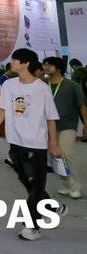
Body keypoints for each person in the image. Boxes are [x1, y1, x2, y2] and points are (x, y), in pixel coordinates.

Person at [0, 48, 65, 240]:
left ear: (26, 63)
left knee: (35, 186)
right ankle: (53, 208)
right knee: (28, 183)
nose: (11, 63)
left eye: (15, 60)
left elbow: (51, 118)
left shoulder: (42, 88)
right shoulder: (9, 85)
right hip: (15, 143)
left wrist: (53, 143)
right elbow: (3, 111)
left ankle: (32, 227)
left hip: (36, 144)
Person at [43, 56, 86, 199]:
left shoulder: (72, 86)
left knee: (66, 154)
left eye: (49, 65)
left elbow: (82, 106)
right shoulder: (42, 84)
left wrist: (86, 123)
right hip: (47, 125)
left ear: (58, 68)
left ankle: (75, 186)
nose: (45, 68)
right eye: (44, 65)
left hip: (67, 124)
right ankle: (66, 184)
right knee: (55, 156)